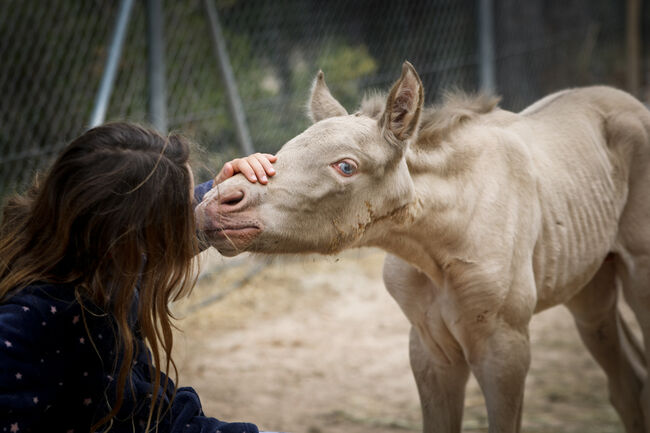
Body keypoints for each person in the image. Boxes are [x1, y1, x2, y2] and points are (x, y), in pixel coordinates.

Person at [0, 122, 277, 433]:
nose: (196, 212)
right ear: (131, 243)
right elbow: (147, 422)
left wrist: (216, 197)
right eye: (186, 210)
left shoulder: (75, 254)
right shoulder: (33, 329)